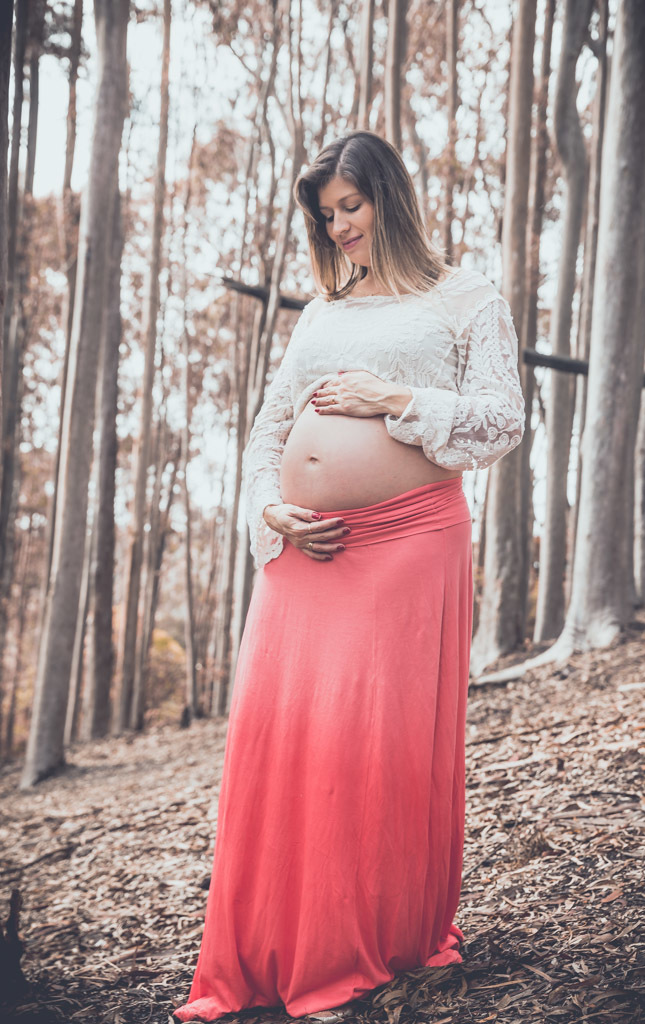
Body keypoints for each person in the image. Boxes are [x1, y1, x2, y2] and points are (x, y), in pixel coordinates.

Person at [172, 129, 525, 1024]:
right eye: (326, 215)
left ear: (390, 198)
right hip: (303, 556)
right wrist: (268, 508)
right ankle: (273, 954)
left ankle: (362, 950)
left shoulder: (464, 297)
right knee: (283, 745)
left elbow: (501, 421)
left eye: (351, 207)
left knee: (370, 750)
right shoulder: (322, 311)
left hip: (406, 544)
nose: (337, 228)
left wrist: (395, 401)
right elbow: (266, 427)